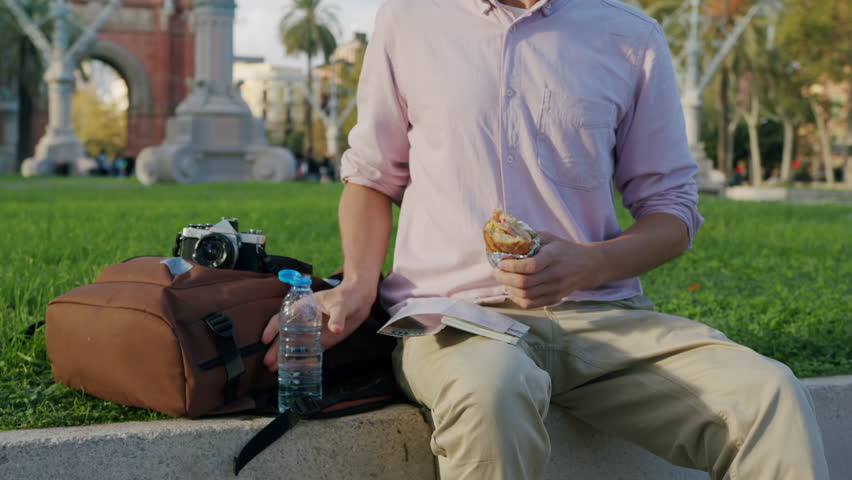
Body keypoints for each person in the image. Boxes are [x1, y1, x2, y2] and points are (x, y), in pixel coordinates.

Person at [262, 1, 829, 479]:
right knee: (492, 392)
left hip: (605, 318)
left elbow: (672, 213)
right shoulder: (411, 18)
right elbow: (371, 175)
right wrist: (358, 284)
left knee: (768, 396)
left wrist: (588, 264)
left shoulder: (629, 34)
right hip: (455, 318)